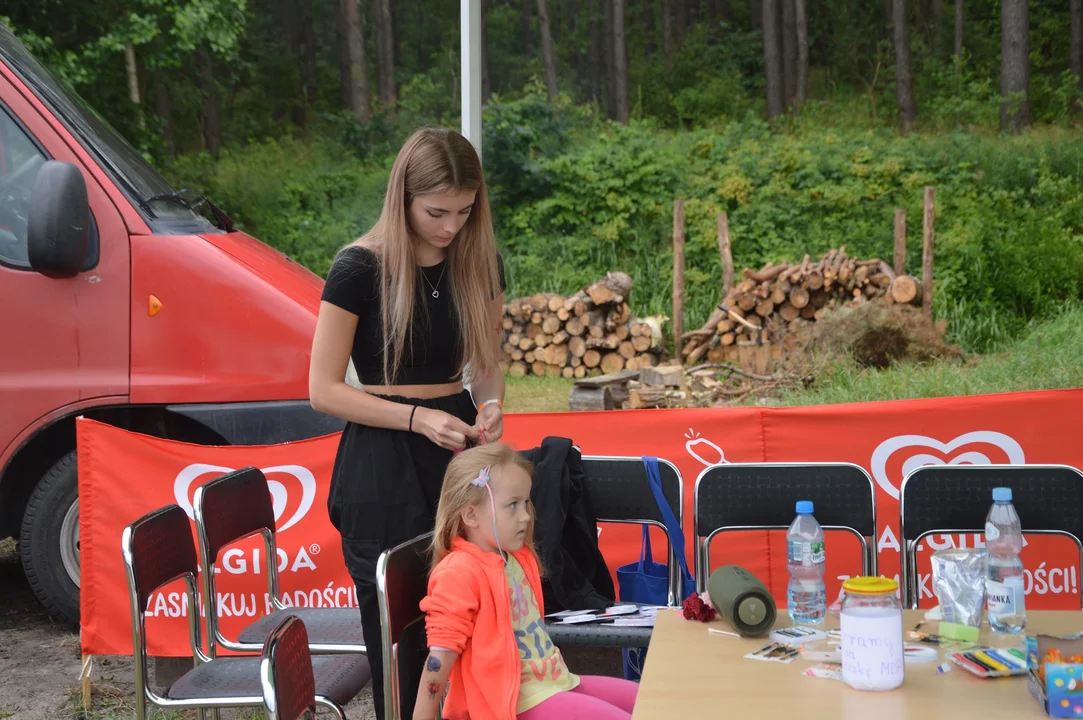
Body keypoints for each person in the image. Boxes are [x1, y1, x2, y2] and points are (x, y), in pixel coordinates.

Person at [308, 126, 507, 718]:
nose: (451, 227)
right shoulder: (358, 269)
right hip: (382, 459)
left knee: (469, 620)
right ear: (404, 199)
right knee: (401, 638)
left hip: (459, 453)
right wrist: (418, 418)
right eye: (437, 212)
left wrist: (491, 404)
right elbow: (323, 390)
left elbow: (488, 367)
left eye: (465, 212)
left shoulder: (480, 260)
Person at [415, 443, 638, 720]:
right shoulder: (458, 572)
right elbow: (439, 659)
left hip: (555, 684)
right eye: (512, 505)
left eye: (526, 502)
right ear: (471, 515)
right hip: (515, 705)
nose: (526, 515)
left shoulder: (516, 556)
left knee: (651, 702)